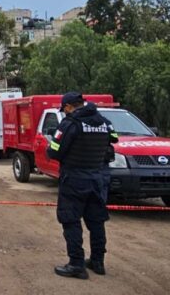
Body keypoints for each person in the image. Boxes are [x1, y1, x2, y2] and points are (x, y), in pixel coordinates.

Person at [47, 92, 118, 279]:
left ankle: (76, 264)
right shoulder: (103, 121)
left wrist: (53, 147)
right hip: (97, 179)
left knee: (70, 220)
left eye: (65, 109)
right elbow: (114, 139)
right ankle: (97, 261)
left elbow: (54, 151)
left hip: (74, 180)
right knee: (96, 222)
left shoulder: (70, 124)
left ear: (69, 106)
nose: (65, 112)